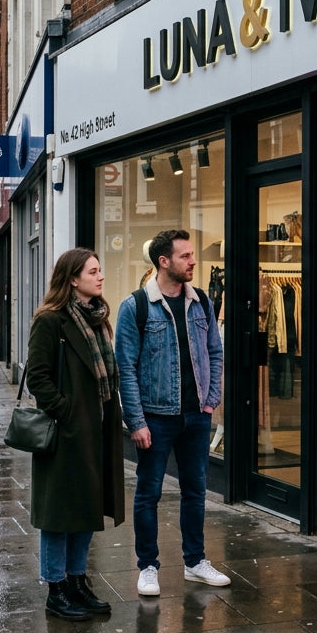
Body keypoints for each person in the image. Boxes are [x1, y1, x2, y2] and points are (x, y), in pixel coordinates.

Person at [116, 228, 228, 596]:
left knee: (195, 490)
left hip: (197, 415)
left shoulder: (203, 303)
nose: (193, 261)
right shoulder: (136, 306)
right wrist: (136, 420)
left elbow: (215, 351)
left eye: (192, 255)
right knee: (148, 493)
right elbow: (126, 368)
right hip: (156, 417)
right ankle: (147, 566)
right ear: (163, 262)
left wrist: (211, 399)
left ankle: (195, 561)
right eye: (185, 256)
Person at [26, 248, 126, 620]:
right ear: (72, 278)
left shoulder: (99, 318)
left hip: (97, 429)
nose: (100, 277)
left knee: (86, 509)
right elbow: (38, 377)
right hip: (67, 432)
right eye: (93, 271)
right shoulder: (51, 321)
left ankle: (77, 580)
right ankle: (57, 590)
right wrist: (67, 413)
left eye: (100, 271)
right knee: (58, 514)